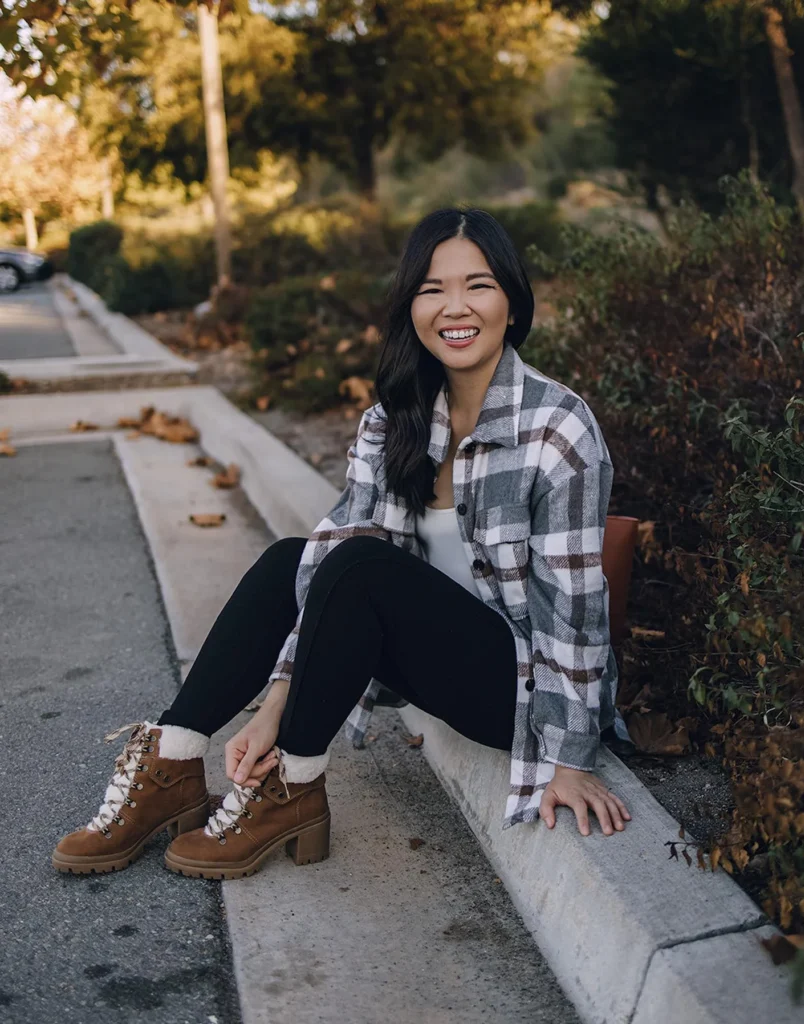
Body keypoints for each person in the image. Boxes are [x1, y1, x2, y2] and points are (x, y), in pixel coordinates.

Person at [52, 207, 631, 880]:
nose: (455, 307)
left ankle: (292, 786)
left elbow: (574, 611)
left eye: (478, 285)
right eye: (431, 289)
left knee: (359, 568)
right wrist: (274, 704)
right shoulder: (394, 421)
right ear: (409, 304)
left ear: (511, 298)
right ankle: (174, 763)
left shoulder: (557, 428)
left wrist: (569, 761)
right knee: (291, 559)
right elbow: (334, 557)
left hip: (518, 688)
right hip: (429, 652)